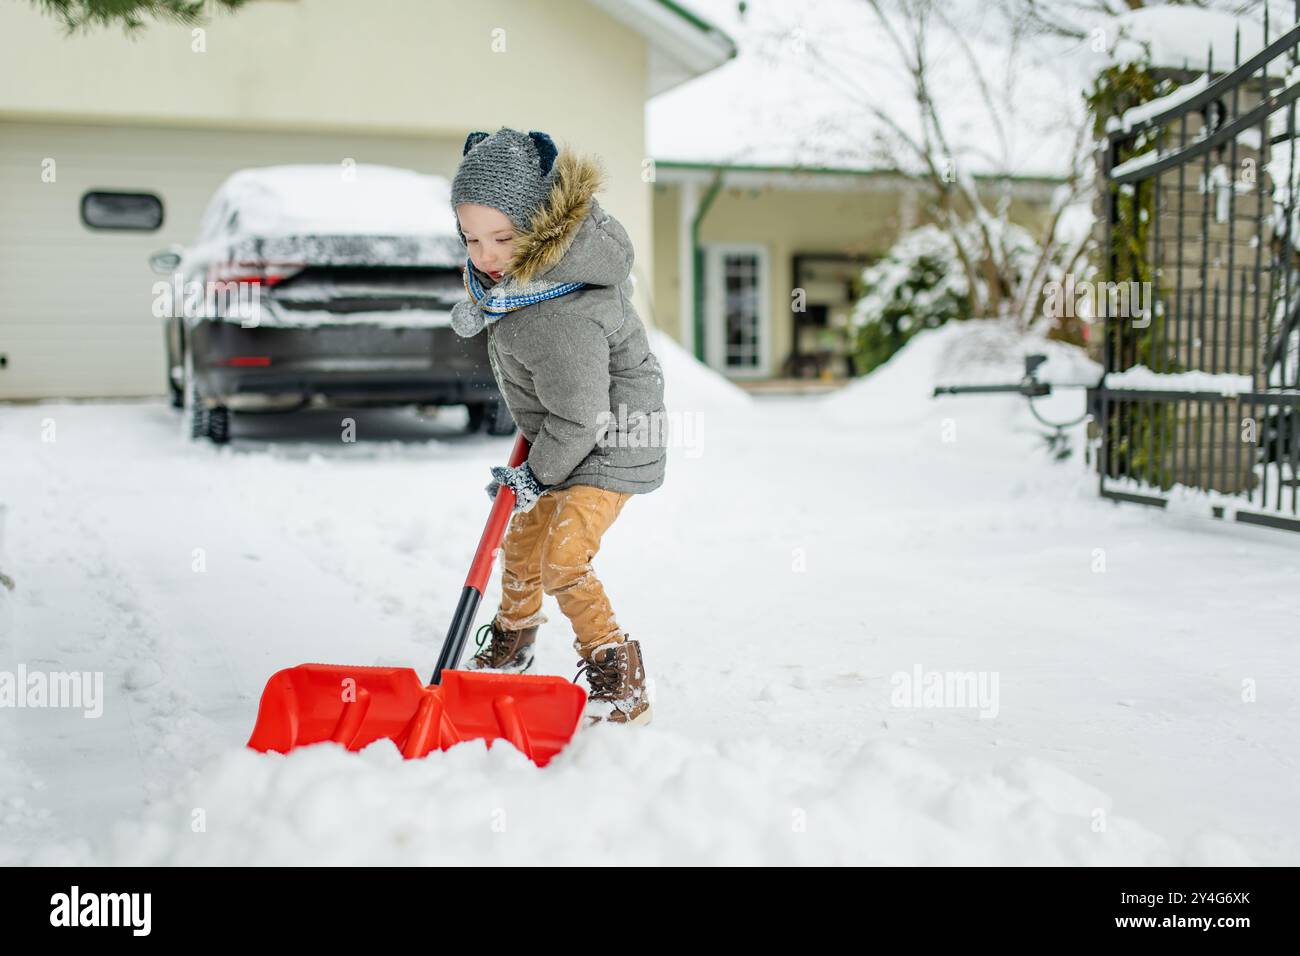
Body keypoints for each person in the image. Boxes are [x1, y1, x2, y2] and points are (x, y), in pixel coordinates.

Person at [448, 127, 667, 726]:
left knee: (562, 557)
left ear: (542, 228)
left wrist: (534, 477)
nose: (484, 254)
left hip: (611, 440)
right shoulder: (523, 286)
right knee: (521, 544)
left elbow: (579, 412)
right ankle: (512, 647)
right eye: (470, 238)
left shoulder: (560, 314)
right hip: (569, 435)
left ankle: (618, 678)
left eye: (501, 237)